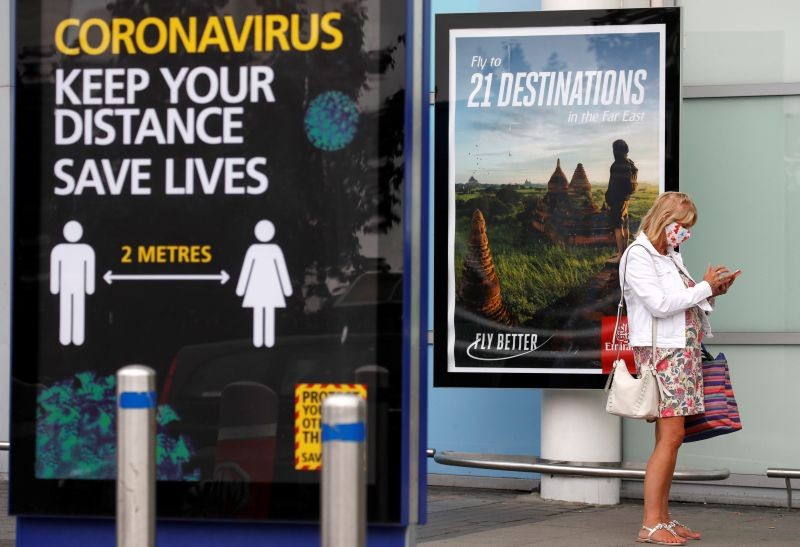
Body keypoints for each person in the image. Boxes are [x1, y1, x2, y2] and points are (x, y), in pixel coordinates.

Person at [619, 192, 740, 545]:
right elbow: (658, 305)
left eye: (687, 228)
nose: (684, 233)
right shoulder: (638, 255)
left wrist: (712, 291)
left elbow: (685, 303)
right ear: (664, 219)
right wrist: (703, 286)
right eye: (681, 226)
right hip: (663, 356)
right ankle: (650, 524)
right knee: (670, 438)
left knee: (672, 440)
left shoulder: (670, 256)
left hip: (683, 354)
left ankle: (663, 520)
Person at [236, 220, 293, 348]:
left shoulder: (272, 250)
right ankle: (260, 340)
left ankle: (266, 340)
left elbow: (281, 269)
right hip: (260, 287)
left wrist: (286, 288)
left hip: (267, 287)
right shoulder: (255, 250)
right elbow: (246, 269)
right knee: (261, 312)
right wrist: (287, 289)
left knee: (267, 312)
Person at [606, 139, 638, 262]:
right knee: (625, 225)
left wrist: (608, 200)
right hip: (625, 199)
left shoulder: (617, 165)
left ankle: (620, 255)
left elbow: (612, 185)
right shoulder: (630, 163)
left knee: (618, 227)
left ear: (616, 151)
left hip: (617, 199)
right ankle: (624, 253)